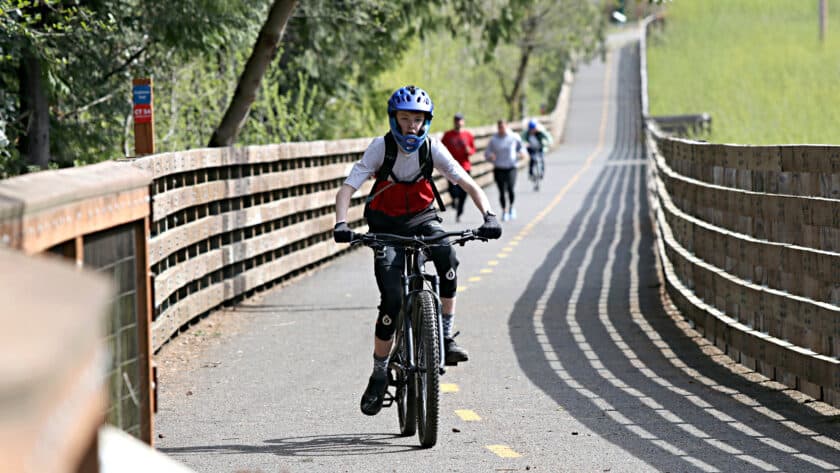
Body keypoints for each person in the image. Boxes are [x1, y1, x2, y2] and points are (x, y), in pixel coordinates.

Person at [332, 85, 502, 416]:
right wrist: (341, 223)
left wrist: (489, 216)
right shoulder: (381, 148)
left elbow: (466, 181)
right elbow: (347, 188)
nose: (412, 126)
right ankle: (380, 370)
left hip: (423, 218)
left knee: (448, 257)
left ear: (427, 122)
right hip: (384, 226)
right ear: (394, 118)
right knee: (392, 300)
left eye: (418, 120)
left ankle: (446, 335)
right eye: (405, 119)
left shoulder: (432, 147)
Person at [484, 119, 528, 221]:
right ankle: (504, 211)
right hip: (499, 168)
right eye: (499, 127)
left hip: (511, 167)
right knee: (501, 192)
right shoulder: (494, 140)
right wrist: (490, 156)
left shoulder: (514, 137)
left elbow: (521, 148)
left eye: (503, 127)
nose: (501, 129)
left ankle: (511, 207)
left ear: (507, 126)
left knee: (511, 189)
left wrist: (522, 154)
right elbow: (487, 153)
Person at [441, 112, 476, 222]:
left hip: (465, 167)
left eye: (460, 120)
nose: (458, 122)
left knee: (464, 192)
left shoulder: (468, 135)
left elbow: (473, 149)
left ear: (463, 122)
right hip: (451, 167)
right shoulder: (448, 135)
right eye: (456, 120)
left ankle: (460, 212)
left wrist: (469, 151)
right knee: (452, 190)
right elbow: (441, 148)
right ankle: (454, 200)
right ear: (454, 122)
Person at [522, 120, 553, 190]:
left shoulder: (540, 132)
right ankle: (530, 173)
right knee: (532, 159)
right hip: (531, 149)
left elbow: (548, 138)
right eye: (531, 129)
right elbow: (522, 139)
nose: (532, 131)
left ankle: (541, 173)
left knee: (541, 159)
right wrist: (525, 144)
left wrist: (548, 143)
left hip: (539, 148)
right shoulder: (526, 133)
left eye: (533, 129)